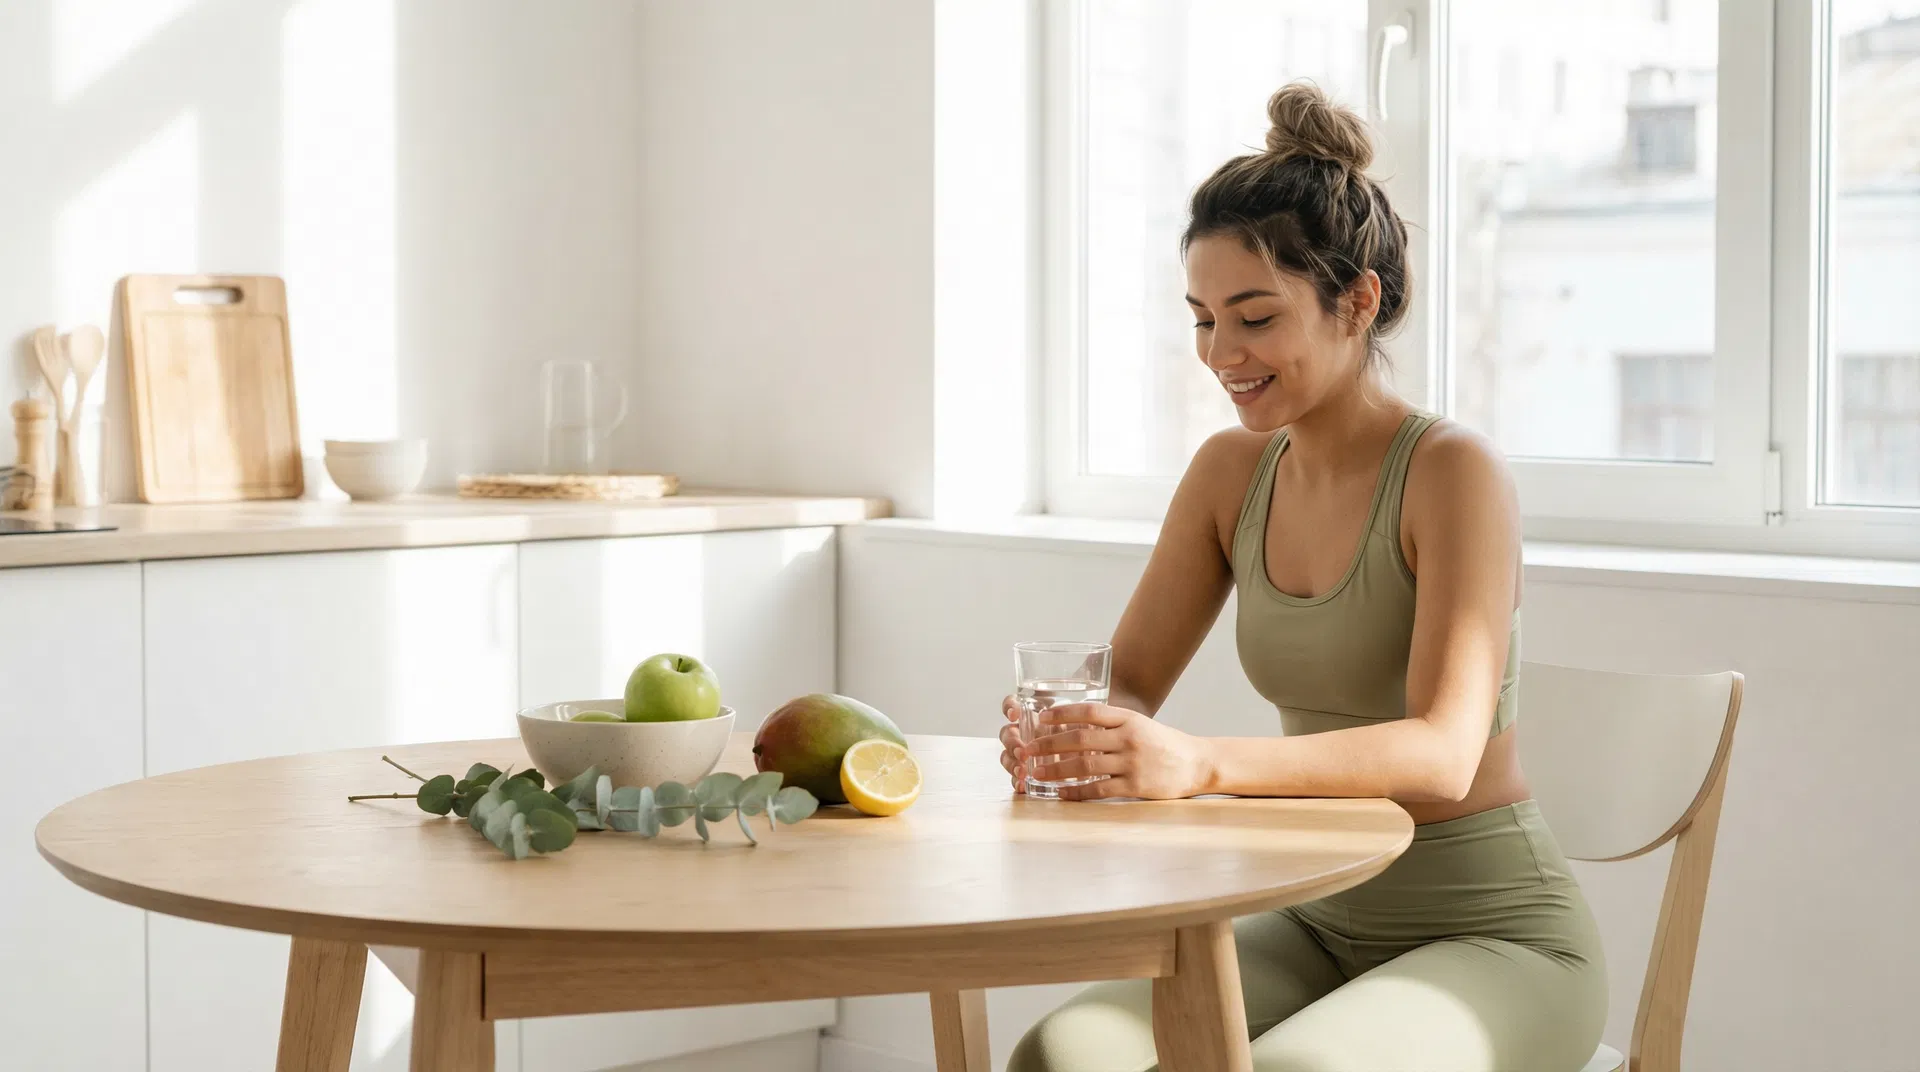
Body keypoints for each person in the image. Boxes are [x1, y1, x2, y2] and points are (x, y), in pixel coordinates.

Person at [999, 82, 1608, 1072]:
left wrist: (1199, 766)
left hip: (1493, 934)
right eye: (1202, 319)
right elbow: (1132, 680)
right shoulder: (1227, 474)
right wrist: (1071, 731)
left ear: (1357, 300)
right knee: (1064, 1051)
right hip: (1318, 921)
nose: (1222, 354)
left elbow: (1445, 752)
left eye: (1254, 316)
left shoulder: (1452, 472)